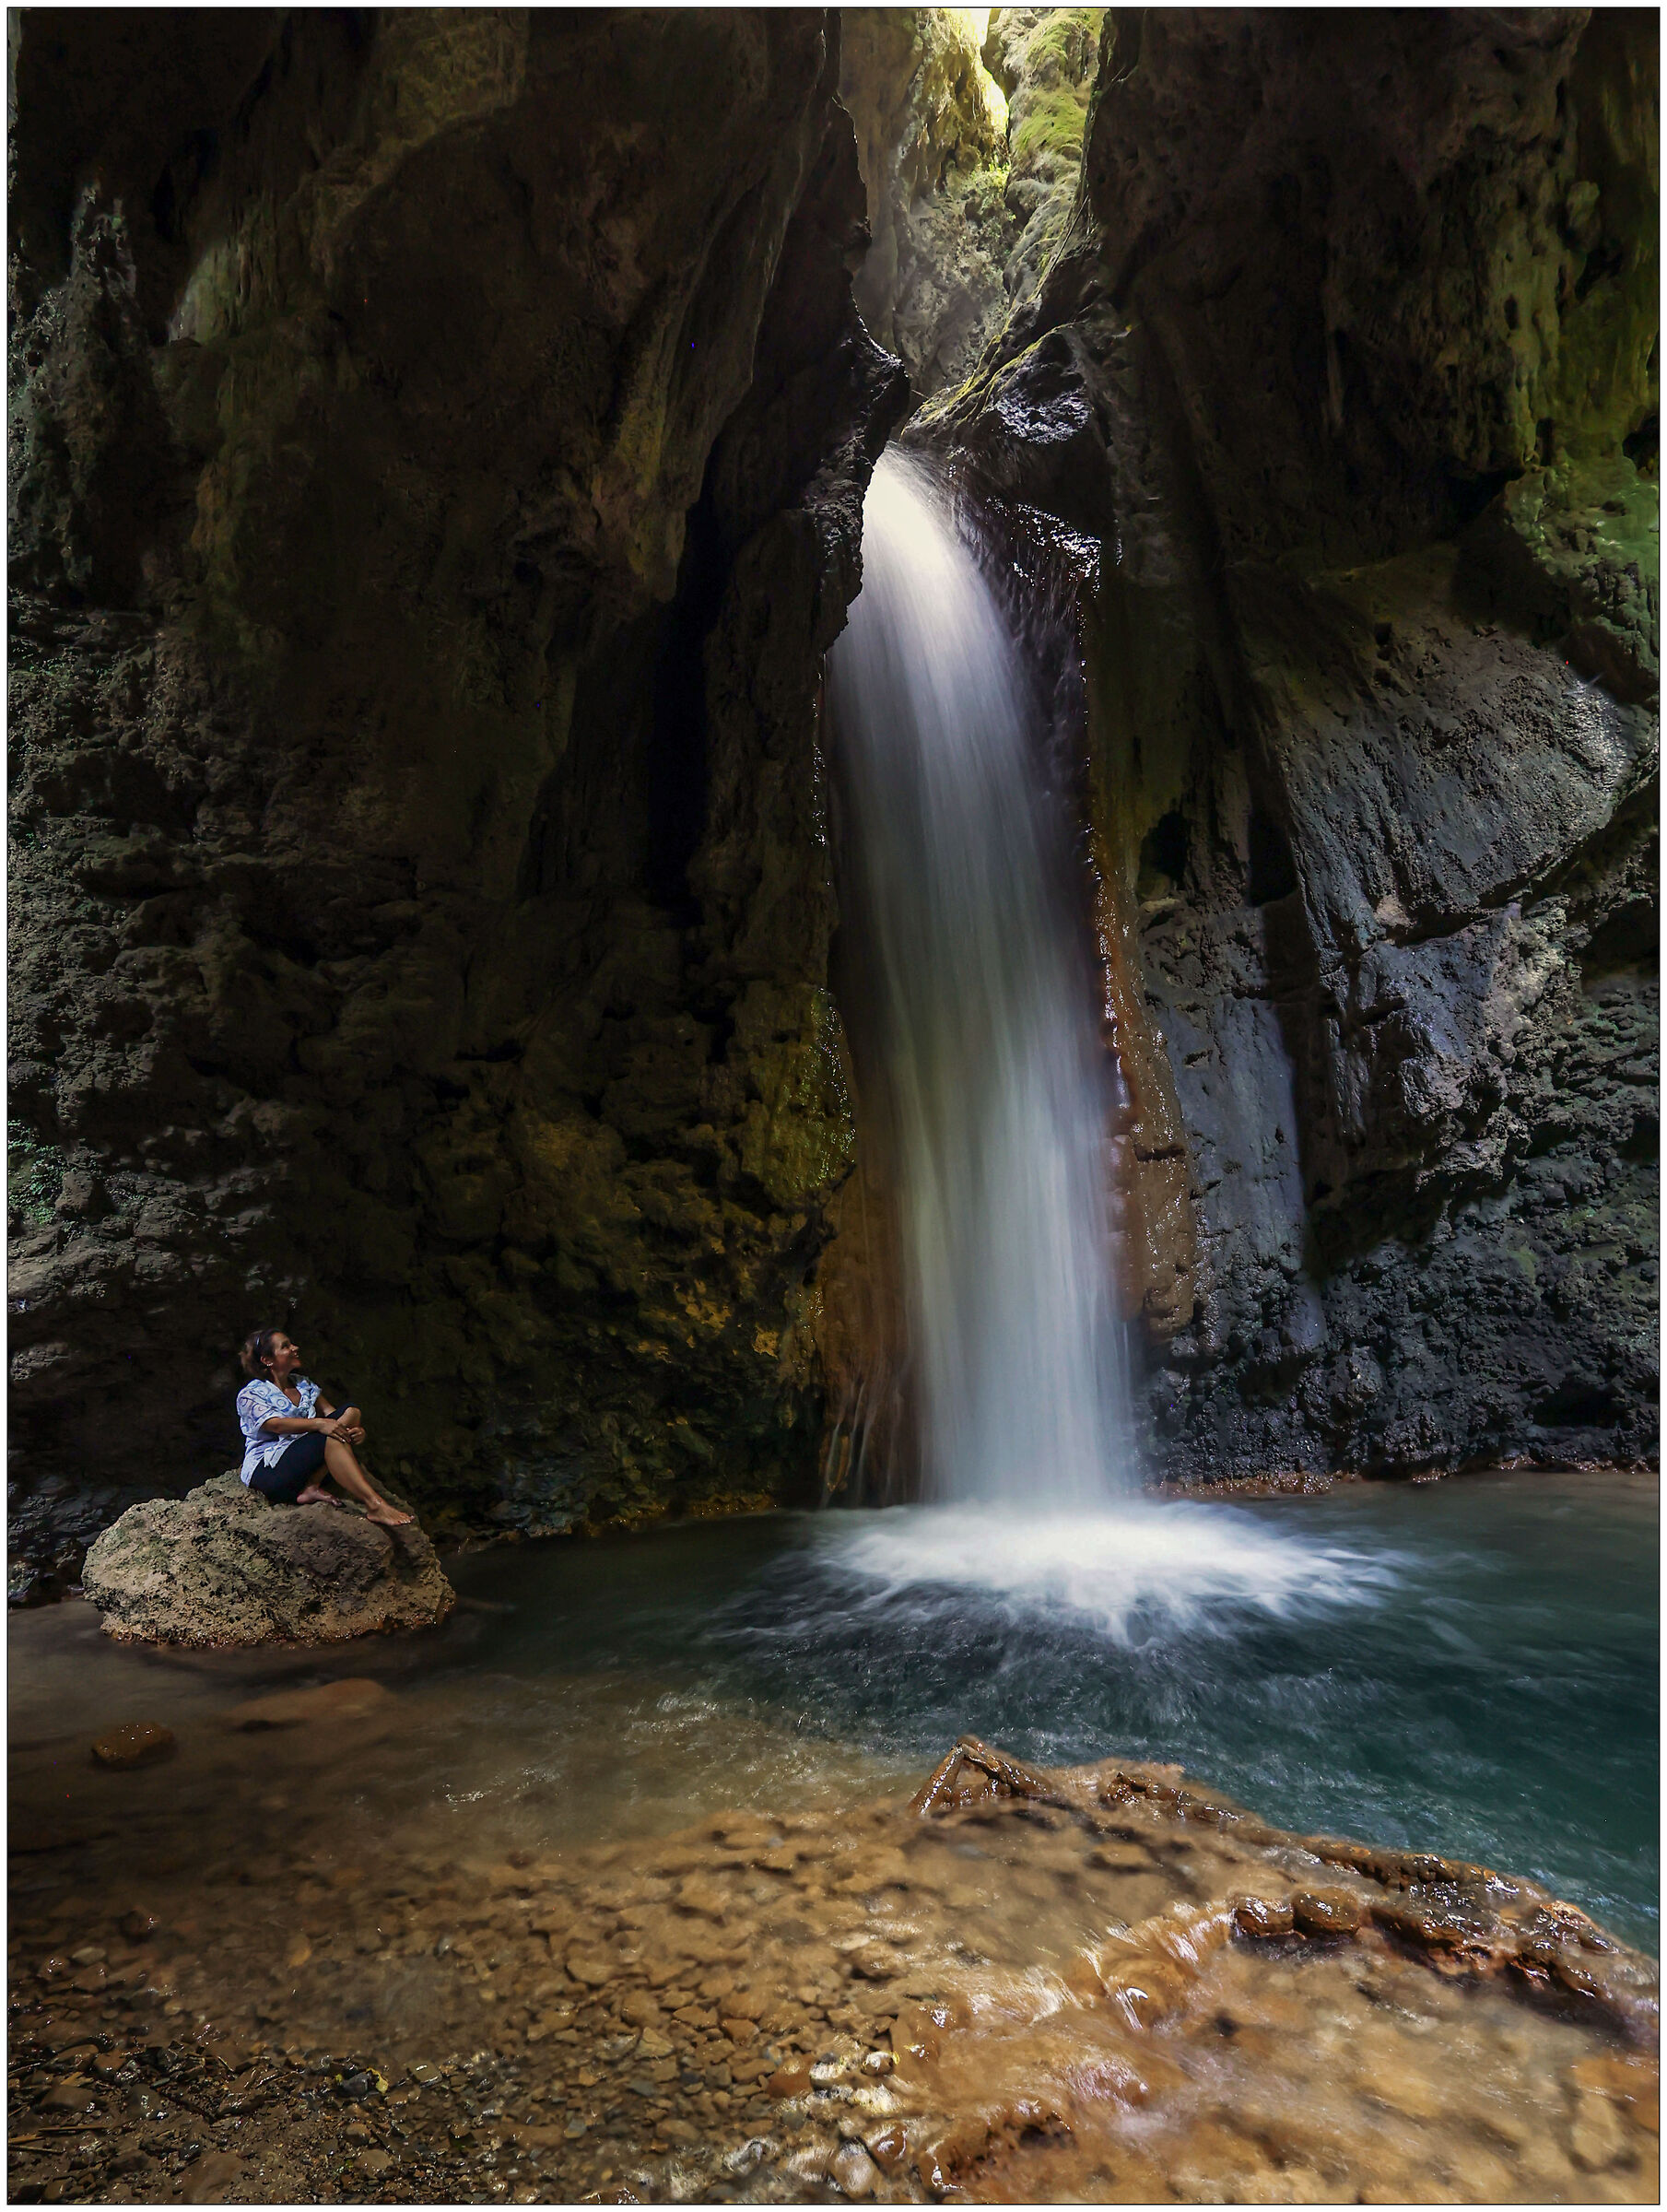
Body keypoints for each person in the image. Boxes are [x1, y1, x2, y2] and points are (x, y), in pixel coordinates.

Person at [236, 1328, 412, 1526]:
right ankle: (375, 1505)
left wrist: (355, 1430)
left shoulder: (304, 1385)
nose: (295, 1348)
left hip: (303, 1463)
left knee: (351, 1413)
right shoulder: (251, 1394)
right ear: (267, 1360)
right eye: (285, 1346)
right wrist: (319, 1423)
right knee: (332, 1431)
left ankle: (312, 1484)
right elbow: (275, 1425)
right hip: (270, 1471)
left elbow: (333, 1415)